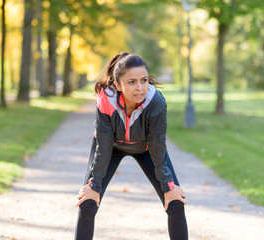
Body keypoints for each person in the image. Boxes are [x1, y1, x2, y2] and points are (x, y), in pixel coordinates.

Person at [74, 52, 188, 240]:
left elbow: (158, 146)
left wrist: (169, 187)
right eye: (132, 82)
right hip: (111, 148)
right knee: (87, 203)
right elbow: (103, 146)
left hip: (146, 149)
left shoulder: (156, 102)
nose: (140, 88)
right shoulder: (106, 99)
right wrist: (94, 186)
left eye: (144, 80)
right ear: (118, 85)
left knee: (175, 203)